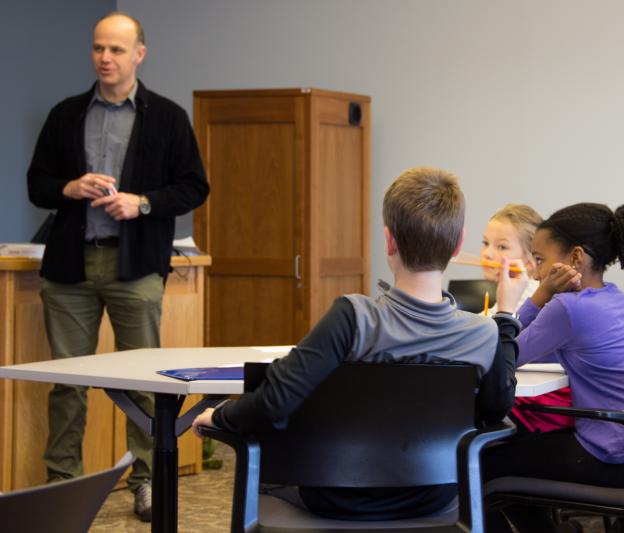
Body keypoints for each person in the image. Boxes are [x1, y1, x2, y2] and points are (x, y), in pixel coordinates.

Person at [192, 167, 520, 521]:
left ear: (389, 240)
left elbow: (274, 402)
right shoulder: (482, 334)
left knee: (267, 480)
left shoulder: (353, 317)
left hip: (336, 497)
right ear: (457, 246)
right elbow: (495, 408)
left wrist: (219, 416)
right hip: (435, 498)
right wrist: (506, 318)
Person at [26, 12, 209, 522]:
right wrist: (68, 188)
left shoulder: (168, 117)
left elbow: (195, 187)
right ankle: (60, 485)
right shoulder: (65, 115)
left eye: (117, 50)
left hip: (136, 268)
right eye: (98, 48)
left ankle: (146, 482)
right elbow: (36, 183)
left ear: (139, 55)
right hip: (70, 267)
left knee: (143, 381)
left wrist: (142, 203)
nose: (105, 58)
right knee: (68, 383)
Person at [483, 202, 624, 533]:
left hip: (616, 457)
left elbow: (505, 356)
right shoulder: (615, 297)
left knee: (481, 462)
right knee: (515, 454)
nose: (535, 272)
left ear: (575, 258)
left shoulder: (567, 307)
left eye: (542, 261)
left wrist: (536, 298)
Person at [480, 204, 573, 434]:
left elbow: (497, 351)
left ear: (531, 262)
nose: (488, 254)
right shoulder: (508, 293)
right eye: (485, 243)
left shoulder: (535, 297)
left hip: (541, 411)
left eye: (502, 246)